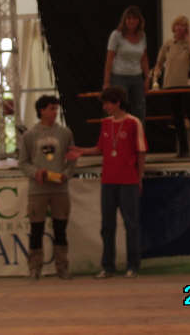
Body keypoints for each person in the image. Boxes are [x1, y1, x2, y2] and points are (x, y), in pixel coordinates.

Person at [67, 87, 147, 279]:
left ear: (117, 102)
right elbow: (100, 149)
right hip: (108, 181)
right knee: (107, 225)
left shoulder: (133, 122)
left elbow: (141, 152)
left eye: (107, 103)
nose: (105, 107)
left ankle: (133, 265)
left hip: (128, 180)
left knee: (131, 224)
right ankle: (108, 266)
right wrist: (81, 151)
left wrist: (139, 178)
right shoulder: (105, 123)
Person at [18, 95, 77, 280]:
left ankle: (62, 267)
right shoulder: (29, 135)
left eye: (56, 108)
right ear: (41, 110)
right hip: (38, 190)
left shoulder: (65, 133)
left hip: (60, 189)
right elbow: (23, 163)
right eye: (51, 108)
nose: (55, 112)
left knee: (60, 229)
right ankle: (35, 268)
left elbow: (72, 159)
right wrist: (36, 173)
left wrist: (66, 175)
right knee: (36, 229)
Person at [152, 15, 190, 157]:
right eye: (178, 25)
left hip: (186, 86)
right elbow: (159, 63)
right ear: (174, 27)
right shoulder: (168, 44)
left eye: (184, 25)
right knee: (178, 119)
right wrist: (155, 78)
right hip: (170, 85)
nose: (181, 28)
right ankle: (183, 150)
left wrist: (189, 40)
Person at [103, 5, 150, 125]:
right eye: (128, 18)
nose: (131, 21)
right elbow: (109, 59)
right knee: (120, 109)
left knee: (139, 110)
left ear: (139, 20)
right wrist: (106, 82)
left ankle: (139, 135)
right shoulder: (116, 35)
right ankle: (119, 135)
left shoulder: (142, 36)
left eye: (134, 18)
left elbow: (144, 58)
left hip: (137, 77)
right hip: (119, 77)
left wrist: (147, 78)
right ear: (124, 20)